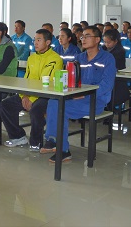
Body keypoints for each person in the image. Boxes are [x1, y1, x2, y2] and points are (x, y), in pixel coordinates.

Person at [41, 26, 116, 163]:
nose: (83, 39)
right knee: (53, 101)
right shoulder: (79, 58)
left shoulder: (107, 58)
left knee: (61, 109)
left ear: (97, 40)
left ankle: (63, 149)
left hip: (96, 100)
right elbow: (71, 79)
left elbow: (107, 84)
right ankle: (53, 140)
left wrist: (86, 94)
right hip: (77, 97)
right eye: (82, 37)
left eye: (87, 36)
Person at [0, 29, 63, 151]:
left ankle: (36, 142)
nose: (35, 43)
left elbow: (46, 83)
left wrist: (31, 99)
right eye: (35, 40)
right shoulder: (32, 58)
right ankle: (18, 136)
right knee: (5, 105)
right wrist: (24, 96)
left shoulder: (55, 59)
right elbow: (27, 79)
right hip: (29, 94)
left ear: (48, 42)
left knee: (36, 109)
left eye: (39, 40)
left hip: (46, 95)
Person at [102, 29, 129, 106]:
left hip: (117, 78)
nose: (106, 44)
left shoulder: (120, 51)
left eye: (109, 42)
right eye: (105, 42)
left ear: (116, 41)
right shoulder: (103, 49)